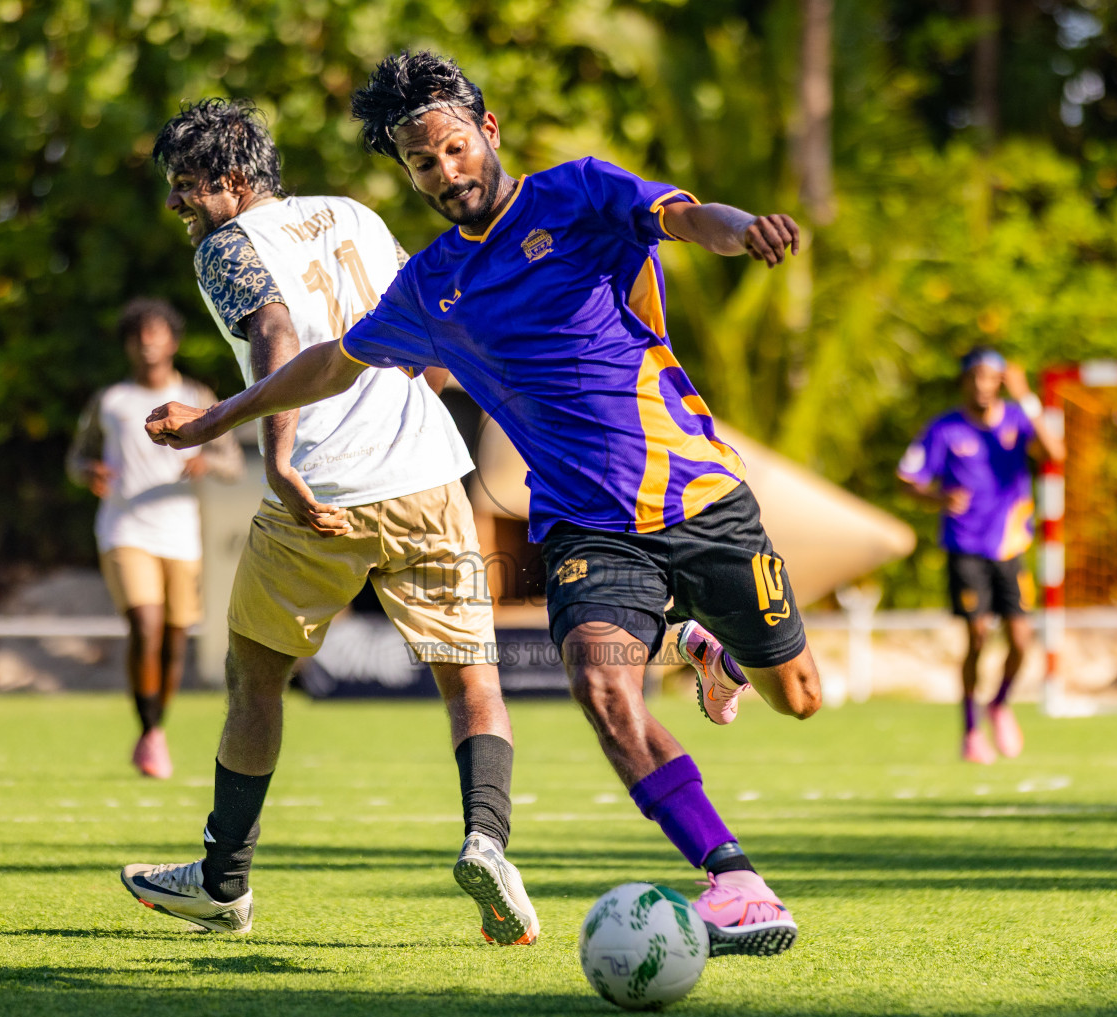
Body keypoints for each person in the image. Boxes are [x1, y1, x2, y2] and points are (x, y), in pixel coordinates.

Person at [145, 53, 821, 958]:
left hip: (700, 498)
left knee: (800, 698)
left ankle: (709, 647)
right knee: (598, 684)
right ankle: (735, 879)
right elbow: (328, 358)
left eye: (456, 149)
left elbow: (686, 216)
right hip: (586, 525)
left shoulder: (576, 194)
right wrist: (216, 419)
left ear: (488, 131)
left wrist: (744, 235)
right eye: (424, 164)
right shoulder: (427, 281)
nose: (446, 173)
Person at [118, 98, 539, 946]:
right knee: (472, 678)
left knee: (256, 676)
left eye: (187, 187)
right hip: (427, 476)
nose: (178, 205)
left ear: (233, 183)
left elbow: (274, 333)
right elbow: (426, 329)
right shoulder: (353, 212)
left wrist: (273, 453)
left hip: (324, 492)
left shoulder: (227, 247)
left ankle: (224, 879)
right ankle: (488, 843)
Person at [67, 299, 242, 779]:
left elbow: (233, 462)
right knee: (146, 624)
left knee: (173, 638)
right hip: (124, 530)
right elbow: (76, 458)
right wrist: (87, 471)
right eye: (139, 335)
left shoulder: (194, 394)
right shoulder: (111, 401)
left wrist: (208, 462)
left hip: (180, 534)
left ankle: (155, 729)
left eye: (157, 333)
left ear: (173, 341)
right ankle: (149, 733)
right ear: (128, 344)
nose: (148, 342)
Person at [897, 348, 1065, 764]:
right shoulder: (944, 429)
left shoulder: (1016, 419)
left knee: (1023, 640)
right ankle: (971, 729)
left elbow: (1056, 454)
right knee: (977, 637)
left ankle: (1000, 704)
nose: (983, 385)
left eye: (991, 378)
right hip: (965, 547)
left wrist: (1026, 396)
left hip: (1010, 548)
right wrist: (936, 496)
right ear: (964, 382)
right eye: (975, 377)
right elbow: (907, 479)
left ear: (1000, 382)